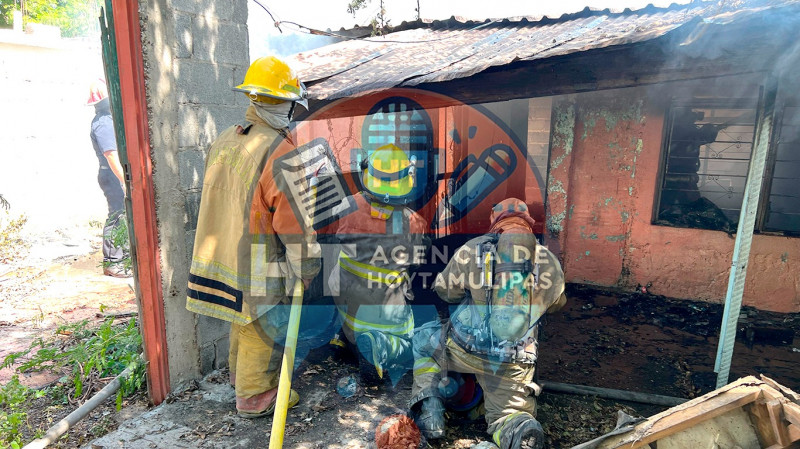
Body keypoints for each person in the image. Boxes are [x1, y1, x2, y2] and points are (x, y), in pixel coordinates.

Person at [186, 55, 321, 417]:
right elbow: (295, 221)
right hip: (256, 257)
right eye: (290, 103)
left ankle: (238, 378)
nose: (292, 111)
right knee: (264, 323)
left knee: (240, 317)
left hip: (221, 253)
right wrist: (307, 266)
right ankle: (255, 396)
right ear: (280, 102)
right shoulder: (279, 149)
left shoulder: (227, 138)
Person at [409, 198, 566, 449]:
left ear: (494, 220)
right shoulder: (547, 259)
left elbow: (445, 291)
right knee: (509, 414)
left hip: (464, 350)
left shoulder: (472, 249)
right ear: (528, 223)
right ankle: (518, 431)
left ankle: (430, 411)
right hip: (513, 360)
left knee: (423, 342)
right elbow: (558, 303)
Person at [327, 144, 430, 385]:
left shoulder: (346, 205)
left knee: (340, 269)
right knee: (410, 344)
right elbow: (418, 260)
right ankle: (379, 346)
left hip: (344, 299)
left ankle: (342, 336)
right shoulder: (414, 222)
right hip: (385, 311)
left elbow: (333, 235)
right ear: (406, 180)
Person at [87, 79, 130, 278]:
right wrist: (124, 181)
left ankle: (123, 257)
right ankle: (113, 263)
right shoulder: (104, 122)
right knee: (117, 216)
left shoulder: (107, 119)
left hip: (112, 174)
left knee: (123, 215)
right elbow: (111, 154)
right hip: (112, 174)